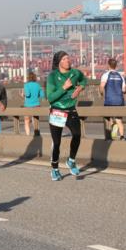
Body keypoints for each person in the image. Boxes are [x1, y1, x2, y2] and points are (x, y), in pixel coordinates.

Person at [45, 51, 87, 180]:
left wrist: (79, 88)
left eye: (68, 58)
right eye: (64, 59)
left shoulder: (75, 73)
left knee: (77, 135)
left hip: (71, 109)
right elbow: (50, 97)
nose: (68, 60)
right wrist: (64, 87)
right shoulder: (52, 76)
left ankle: (71, 160)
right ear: (59, 62)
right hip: (57, 111)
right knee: (57, 143)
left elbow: (84, 80)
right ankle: (55, 168)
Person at [99, 59, 126, 141]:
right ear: (116, 66)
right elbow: (124, 90)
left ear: (108, 65)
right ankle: (122, 136)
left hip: (109, 100)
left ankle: (109, 135)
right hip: (119, 100)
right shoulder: (121, 76)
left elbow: (101, 87)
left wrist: (101, 94)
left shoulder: (106, 75)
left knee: (108, 119)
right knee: (119, 120)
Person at [22, 71, 44, 137]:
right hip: (36, 105)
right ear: (35, 78)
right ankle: (36, 134)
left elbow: (28, 94)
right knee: (36, 121)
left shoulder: (26, 85)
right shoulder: (38, 85)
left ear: (28, 78)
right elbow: (42, 95)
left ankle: (28, 135)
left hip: (28, 106)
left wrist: (23, 94)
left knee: (26, 121)